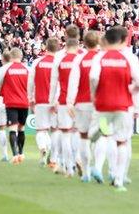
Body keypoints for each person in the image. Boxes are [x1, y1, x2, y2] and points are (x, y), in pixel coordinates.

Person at [88, 26, 139, 192]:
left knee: (100, 135)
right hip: (122, 105)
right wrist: (129, 89)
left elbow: (93, 77)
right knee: (122, 141)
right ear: (122, 40)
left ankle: (97, 135)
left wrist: (94, 93)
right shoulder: (129, 57)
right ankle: (118, 179)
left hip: (103, 104)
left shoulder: (100, 56)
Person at [67, 30, 100, 182]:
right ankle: (98, 167)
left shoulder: (79, 60)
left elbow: (73, 83)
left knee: (83, 136)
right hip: (101, 104)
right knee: (102, 137)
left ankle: (86, 172)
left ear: (84, 43)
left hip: (82, 103)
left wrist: (70, 102)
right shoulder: (102, 58)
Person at [50, 32, 81, 177]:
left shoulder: (60, 59)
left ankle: (67, 166)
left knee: (65, 134)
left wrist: (52, 101)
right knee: (78, 133)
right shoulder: (82, 59)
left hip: (63, 101)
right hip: (80, 101)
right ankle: (77, 159)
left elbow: (54, 83)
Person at [0, 48, 29, 164]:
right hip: (23, 102)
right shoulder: (27, 69)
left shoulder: (2, 70)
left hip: (5, 101)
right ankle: (21, 152)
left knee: (3, 128)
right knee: (21, 129)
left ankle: (7, 155)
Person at [27, 38, 59, 167]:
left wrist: (31, 98)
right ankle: (54, 159)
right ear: (57, 48)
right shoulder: (59, 62)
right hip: (55, 101)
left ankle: (43, 148)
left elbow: (30, 81)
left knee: (41, 130)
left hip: (40, 100)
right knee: (55, 130)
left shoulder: (37, 62)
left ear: (45, 47)